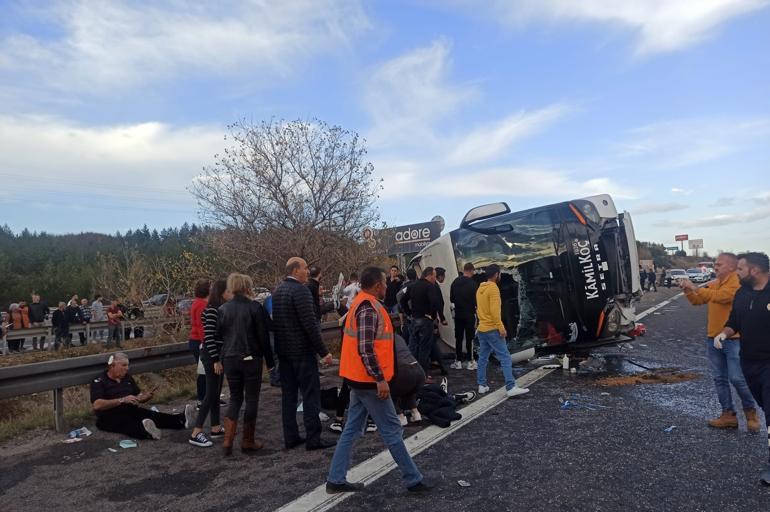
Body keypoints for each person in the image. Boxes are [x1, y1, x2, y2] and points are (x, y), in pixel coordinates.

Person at [326, 266, 431, 494]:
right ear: (376, 286)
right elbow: (366, 348)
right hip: (370, 382)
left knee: (352, 429)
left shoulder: (360, 304)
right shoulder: (369, 309)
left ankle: (335, 479)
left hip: (358, 379)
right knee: (392, 430)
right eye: (384, 283)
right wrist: (380, 379)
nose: (386, 286)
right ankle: (413, 479)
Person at [681, 253, 758, 431]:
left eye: (719, 264)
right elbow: (698, 300)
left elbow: (722, 297)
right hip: (713, 339)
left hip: (734, 339)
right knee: (719, 378)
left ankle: (750, 411)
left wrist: (696, 287)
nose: (715, 267)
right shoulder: (714, 283)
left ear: (731, 267)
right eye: (715, 264)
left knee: (737, 378)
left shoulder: (737, 283)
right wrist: (687, 290)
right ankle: (728, 414)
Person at [714, 252, 770, 485]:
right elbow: (734, 321)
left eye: (740, 269)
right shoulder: (742, 293)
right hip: (749, 362)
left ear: (754, 270)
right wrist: (723, 334)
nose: (737, 273)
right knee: (765, 406)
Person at [272, 257, 336, 451]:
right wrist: (324, 352)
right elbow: (310, 324)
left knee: (289, 396)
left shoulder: (278, 291)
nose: (308, 271)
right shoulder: (301, 291)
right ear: (295, 270)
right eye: (305, 268)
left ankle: (290, 436)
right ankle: (313, 438)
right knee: (310, 395)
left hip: (284, 353)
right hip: (302, 352)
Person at [218, 273, 274, 455]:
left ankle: (227, 441)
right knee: (251, 399)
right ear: (247, 287)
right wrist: (270, 362)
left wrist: (219, 358)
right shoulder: (255, 307)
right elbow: (263, 337)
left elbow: (219, 336)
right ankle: (248, 441)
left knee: (235, 397)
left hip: (230, 358)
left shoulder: (223, 309)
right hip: (251, 358)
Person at [90, 352, 195, 439]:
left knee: (153, 415)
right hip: (108, 415)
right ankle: (146, 433)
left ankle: (181, 420)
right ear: (112, 366)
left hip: (130, 409)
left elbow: (137, 395)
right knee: (127, 424)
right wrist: (122, 400)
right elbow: (97, 405)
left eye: (127, 365)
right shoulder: (99, 381)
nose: (127, 368)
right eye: (124, 365)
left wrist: (144, 397)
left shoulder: (127, 378)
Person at [476, 264, 529, 398]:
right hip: (492, 329)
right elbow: (495, 312)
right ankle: (511, 387)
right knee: (505, 357)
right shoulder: (493, 288)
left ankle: (482, 385)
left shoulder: (480, 289)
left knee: (483, 358)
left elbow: (479, 309)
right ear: (496, 275)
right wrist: (501, 327)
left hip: (482, 329)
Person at [190, 279, 228, 448]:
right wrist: (215, 360)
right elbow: (209, 337)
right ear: (222, 293)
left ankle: (215, 427)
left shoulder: (218, 309)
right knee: (211, 393)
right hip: (212, 356)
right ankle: (196, 432)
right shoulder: (211, 310)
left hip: (217, 355)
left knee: (216, 392)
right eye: (229, 291)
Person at [399, 267, 442, 380]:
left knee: (413, 347)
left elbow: (402, 300)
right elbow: (434, 303)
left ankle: (412, 373)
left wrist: (409, 313)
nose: (435, 279)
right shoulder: (430, 286)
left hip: (414, 320)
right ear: (430, 276)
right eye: (434, 276)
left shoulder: (413, 285)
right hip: (425, 320)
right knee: (424, 349)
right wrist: (433, 316)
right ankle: (424, 375)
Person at [450, 262, 479, 370]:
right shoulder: (473, 284)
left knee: (458, 338)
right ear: (471, 270)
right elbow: (477, 300)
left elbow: (452, 299)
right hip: (470, 314)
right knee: (470, 338)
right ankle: (470, 361)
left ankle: (458, 361)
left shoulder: (455, 282)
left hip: (458, 314)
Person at [189, 279, 210, 407]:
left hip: (197, 341)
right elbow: (202, 327)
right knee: (204, 371)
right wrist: (206, 343)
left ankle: (208, 397)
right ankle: (202, 399)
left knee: (205, 371)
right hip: (200, 341)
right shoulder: (202, 305)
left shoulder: (197, 302)